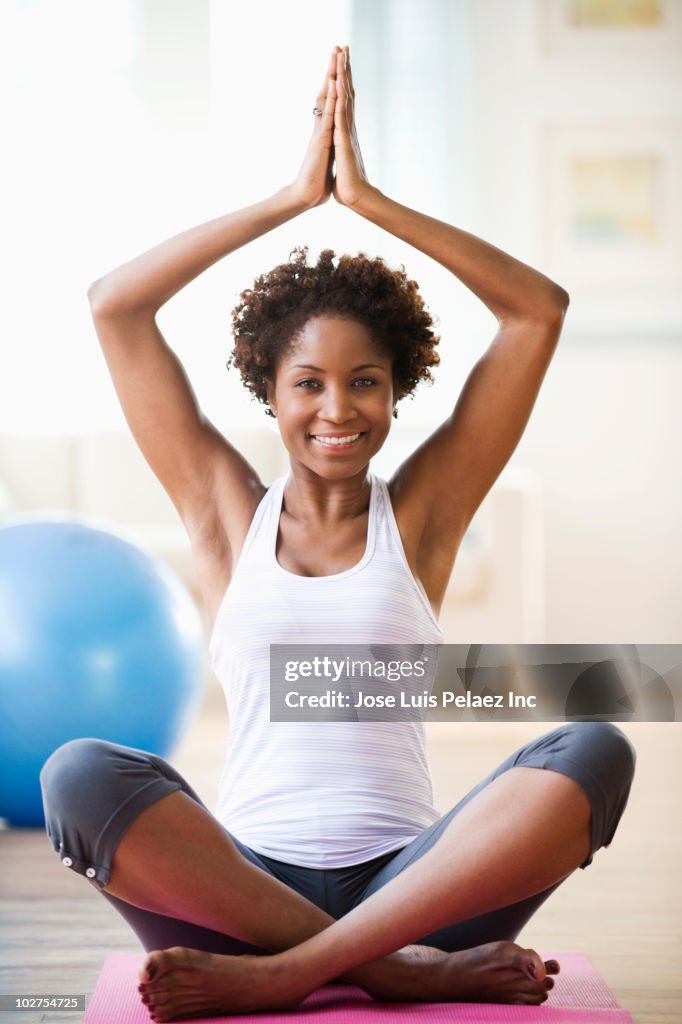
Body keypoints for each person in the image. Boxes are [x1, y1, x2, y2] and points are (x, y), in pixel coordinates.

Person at [39, 45, 635, 1020]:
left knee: (593, 748)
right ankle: (392, 973)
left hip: (420, 888)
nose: (337, 409)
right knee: (77, 773)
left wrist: (368, 203)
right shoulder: (225, 507)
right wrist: (289, 197)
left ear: (395, 391)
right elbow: (117, 305)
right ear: (269, 393)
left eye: (365, 382)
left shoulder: (425, 512)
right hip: (237, 892)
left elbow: (536, 313)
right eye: (307, 383)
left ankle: (293, 973)